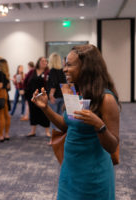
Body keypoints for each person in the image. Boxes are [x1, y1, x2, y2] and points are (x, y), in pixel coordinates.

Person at [32, 44, 119, 199]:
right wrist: (45, 108)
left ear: (87, 68)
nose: (64, 69)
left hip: (93, 176)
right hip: (70, 170)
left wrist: (99, 125)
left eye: (69, 65)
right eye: (65, 64)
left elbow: (113, 146)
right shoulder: (76, 93)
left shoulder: (106, 99)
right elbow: (66, 125)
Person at [24, 57, 50, 137]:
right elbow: (25, 81)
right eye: (42, 61)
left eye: (46, 61)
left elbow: (49, 84)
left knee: (45, 113)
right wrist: (24, 90)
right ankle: (33, 131)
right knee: (33, 112)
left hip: (42, 96)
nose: (44, 62)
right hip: (32, 96)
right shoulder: (32, 71)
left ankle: (47, 132)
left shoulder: (48, 72)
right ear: (38, 62)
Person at [0, 58, 11, 141]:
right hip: (5, 94)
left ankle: (0, 136)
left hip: (0, 93)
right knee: (6, 115)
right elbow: (8, 87)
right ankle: (6, 134)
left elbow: (0, 85)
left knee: (1, 116)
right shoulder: (6, 73)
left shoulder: (0, 73)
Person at [47, 52, 66, 131]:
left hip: (54, 97)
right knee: (61, 118)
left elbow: (54, 84)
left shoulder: (52, 71)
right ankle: (60, 137)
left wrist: (51, 95)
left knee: (54, 119)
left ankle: (54, 138)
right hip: (62, 96)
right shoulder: (62, 71)